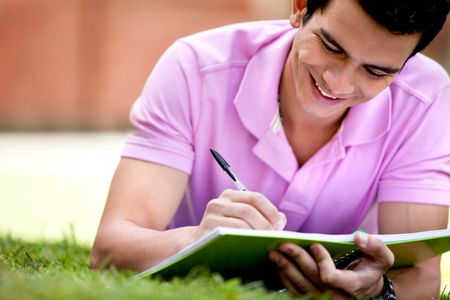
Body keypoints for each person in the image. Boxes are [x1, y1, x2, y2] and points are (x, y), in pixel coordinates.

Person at [91, 0, 450, 298]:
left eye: (375, 71)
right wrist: (196, 239)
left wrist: (377, 289)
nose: (337, 82)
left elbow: (420, 274)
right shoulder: (194, 67)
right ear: (299, 7)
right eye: (331, 46)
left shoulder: (427, 99)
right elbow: (112, 246)